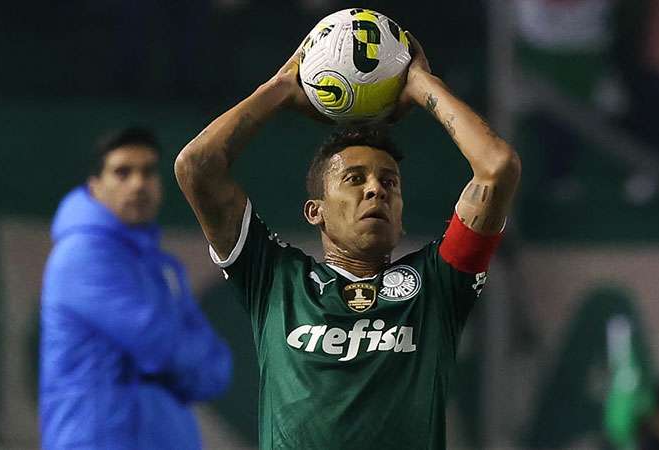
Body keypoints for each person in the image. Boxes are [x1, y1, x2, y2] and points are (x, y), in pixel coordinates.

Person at [175, 33, 520, 449]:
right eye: (354, 179)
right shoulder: (274, 279)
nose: (376, 190)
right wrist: (282, 87)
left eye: (388, 182)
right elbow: (197, 167)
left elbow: (497, 167)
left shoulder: (438, 286)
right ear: (315, 211)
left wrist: (422, 83)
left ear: (401, 214)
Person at [40, 127, 232, 449]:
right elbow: (159, 343)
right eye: (122, 172)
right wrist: (191, 362)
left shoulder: (165, 266)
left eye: (148, 172)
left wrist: (195, 363)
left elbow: (216, 368)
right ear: (94, 185)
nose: (139, 184)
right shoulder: (80, 255)